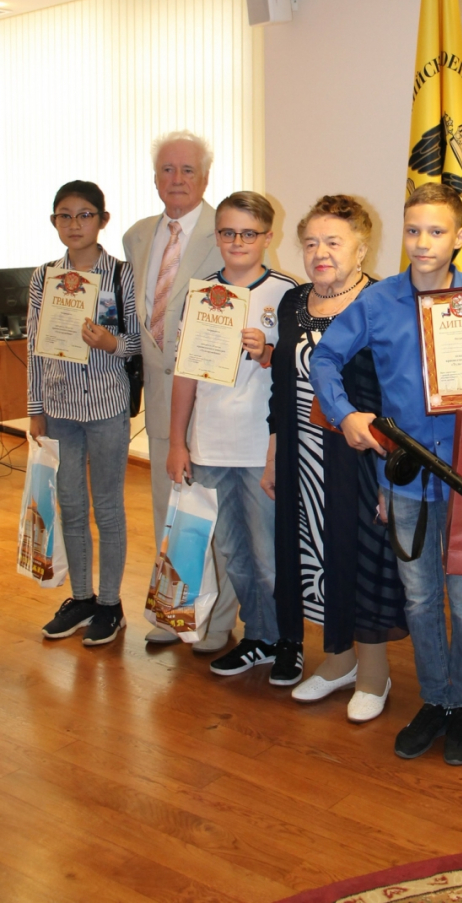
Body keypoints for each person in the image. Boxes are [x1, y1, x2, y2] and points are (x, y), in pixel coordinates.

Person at [311, 184, 462, 764]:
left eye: (436, 231)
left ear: (459, 236)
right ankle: (434, 699)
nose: (422, 242)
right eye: (413, 230)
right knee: (419, 598)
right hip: (405, 475)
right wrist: (346, 413)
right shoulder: (379, 301)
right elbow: (325, 357)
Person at [262, 195, 407, 722]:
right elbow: (281, 386)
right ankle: (339, 659)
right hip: (301, 455)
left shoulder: (382, 301)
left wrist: (392, 477)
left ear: (361, 249)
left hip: (359, 459)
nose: (320, 253)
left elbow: (398, 392)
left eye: (333, 242)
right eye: (311, 243)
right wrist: (274, 451)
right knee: (313, 556)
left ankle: (373, 672)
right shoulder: (293, 303)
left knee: (360, 557)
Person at [166, 192, 296, 675]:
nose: (237, 241)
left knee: (269, 555)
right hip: (210, 445)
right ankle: (259, 636)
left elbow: (299, 370)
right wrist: (177, 441)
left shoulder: (287, 292)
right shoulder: (200, 295)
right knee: (233, 554)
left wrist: (267, 353)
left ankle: (288, 640)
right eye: (227, 232)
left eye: (248, 233)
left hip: (261, 446)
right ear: (216, 236)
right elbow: (185, 374)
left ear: (267, 236)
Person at [123, 130, 238, 653]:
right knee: (169, 507)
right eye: (167, 169)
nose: (176, 179)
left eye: (187, 170)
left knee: (216, 514)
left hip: (212, 396)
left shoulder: (225, 232)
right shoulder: (136, 237)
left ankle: (218, 622)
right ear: (154, 178)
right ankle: (176, 611)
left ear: (205, 178)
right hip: (160, 397)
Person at [28, 180, 141, 645]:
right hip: (59, 408)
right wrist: (35, 409)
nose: (75, 224)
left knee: (108, 507)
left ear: (103, 220)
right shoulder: (45, 276)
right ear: (54, 221)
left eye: (85, 215)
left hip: (107, 405)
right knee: (70, 504)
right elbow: (35, 347)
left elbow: (139, 342)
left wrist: (111, 343)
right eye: (65, 216)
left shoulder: (121, 275)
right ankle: (81, 598)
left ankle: (110, 605)